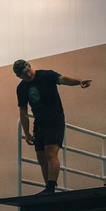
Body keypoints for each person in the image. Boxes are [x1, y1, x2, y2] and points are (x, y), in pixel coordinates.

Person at [13, 59, 92, 194]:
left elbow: (62, 79)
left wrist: (78, 82)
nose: (28, 76)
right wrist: (26, 133)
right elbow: (23, 112)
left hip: (54, 119)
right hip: (39, 122)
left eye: (28, 72)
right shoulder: (21, 88)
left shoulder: (46, 75)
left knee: (50, 151)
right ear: (19, 77)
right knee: (41, 157)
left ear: (30, 67)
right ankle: (48, 187)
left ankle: (51, 187)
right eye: (24, 75)